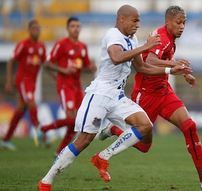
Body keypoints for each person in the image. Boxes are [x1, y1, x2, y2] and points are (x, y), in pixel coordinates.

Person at [37, 5, 191, 191]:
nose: (137, 24)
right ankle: (46, 180)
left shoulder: (132, 39)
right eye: (134, 21)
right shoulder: (113, 35)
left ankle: (103, 156)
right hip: (100, 94)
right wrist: (146, 46)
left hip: (117, 95)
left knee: (145, 125)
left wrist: (169, 70)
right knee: (84, 140)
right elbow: (117, 57)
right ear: (122, 20)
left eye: (139, 21)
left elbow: (142, 68)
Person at [99, 5, 202, 191]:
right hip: (146, 94)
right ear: (168, 22)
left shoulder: (170, 38)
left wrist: (183, 72)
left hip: (164, 92)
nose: (182, 26)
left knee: (189, 126)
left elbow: (166, 64)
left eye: (184, 23)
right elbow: (149, 61)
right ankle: (113, 129)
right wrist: (175, 64)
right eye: (178, 22)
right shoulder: (162, 37)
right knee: (143, 146)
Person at [40, 17, 96, 155]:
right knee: (71, 119)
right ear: (67, 28)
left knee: (76, 122)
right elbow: (47, 63)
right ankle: (45, 129)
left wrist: (91, 67)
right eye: (72, 26)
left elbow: (85, 66)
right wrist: (63, 71)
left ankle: (59, 152)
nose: (75, 29)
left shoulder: (83, 47)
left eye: (78, 26)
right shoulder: (61, 44)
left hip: (77, 85)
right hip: (65, 86)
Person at [0, 19, 46, 150]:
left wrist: (57, 74)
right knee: (31, 101)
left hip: (32, 82)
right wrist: (9, 81)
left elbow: (45, 63)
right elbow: (11, 61)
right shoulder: (23, 44)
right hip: (23, 80)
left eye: (38, 28)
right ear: (29, 30)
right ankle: (38, 129)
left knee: (20, 111)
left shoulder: (41, 46)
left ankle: (6, 139)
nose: (36, 31)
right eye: (34, 28)